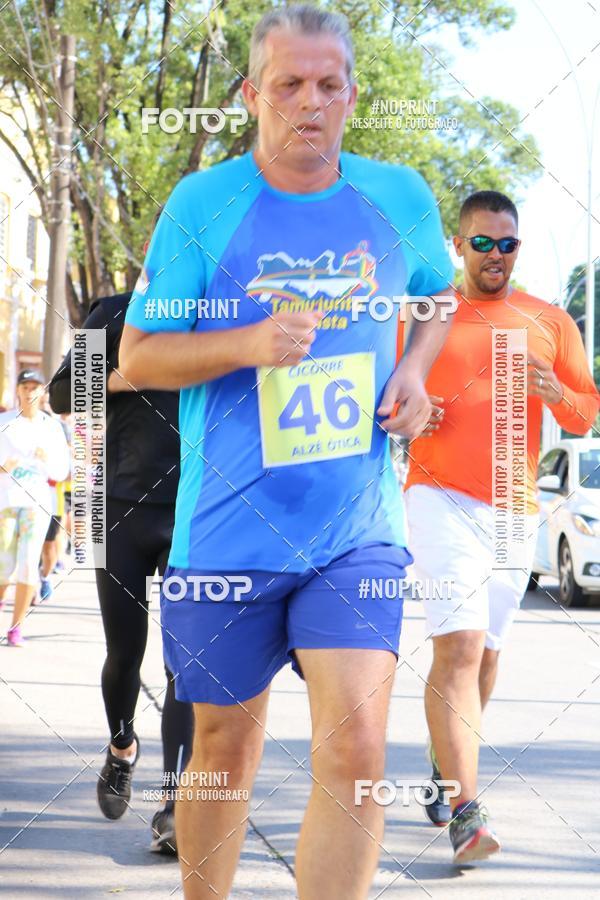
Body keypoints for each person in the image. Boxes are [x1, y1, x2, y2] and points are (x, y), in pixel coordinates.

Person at [119, 5, 455, 898]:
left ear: (352, 94)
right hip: (226, 535)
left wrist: (416, 371)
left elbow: (435, 296)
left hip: (357, 529)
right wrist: (249, 342)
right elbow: (139, 356)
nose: (310, 102)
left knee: (358, 747)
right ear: (252, 95)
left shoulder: (399, 195)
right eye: (289, 86)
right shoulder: (204, 204)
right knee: (225, 747)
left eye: (328, 86)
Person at [398, 190, 600, 863]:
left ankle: (445, 762)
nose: (494, 255)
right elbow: (384, 400)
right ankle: (466, 812)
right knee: (456, 648)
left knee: (485, 657)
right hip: (437, 495)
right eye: (481, 242)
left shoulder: (548, 320)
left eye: (506, 243)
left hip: (516, 511)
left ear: (519, 247)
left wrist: (557, 393)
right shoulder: (426, 316)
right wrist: (405, 415)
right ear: (459, 245)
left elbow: (583, 416)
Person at [49, 290, 194, 855]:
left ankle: (175, 805)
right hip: (119, 508)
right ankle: (121, 745)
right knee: (123, 655)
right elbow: (62, 394)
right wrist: (124, 375)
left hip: (195, 512)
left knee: (185, 661)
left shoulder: (224, 313)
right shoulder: (115, 313)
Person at [0, 370, 69, 645]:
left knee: (29, 564)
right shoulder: (5, 422)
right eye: (25, 386)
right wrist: (5, 466)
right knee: (3, 563)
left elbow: (62, 470)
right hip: (6, 502)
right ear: (17, 391)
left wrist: (46, 460)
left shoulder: (51, 427)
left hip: (37, 502)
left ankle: (16, 627)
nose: (30, 392)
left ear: (43, 392)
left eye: (35, 387)